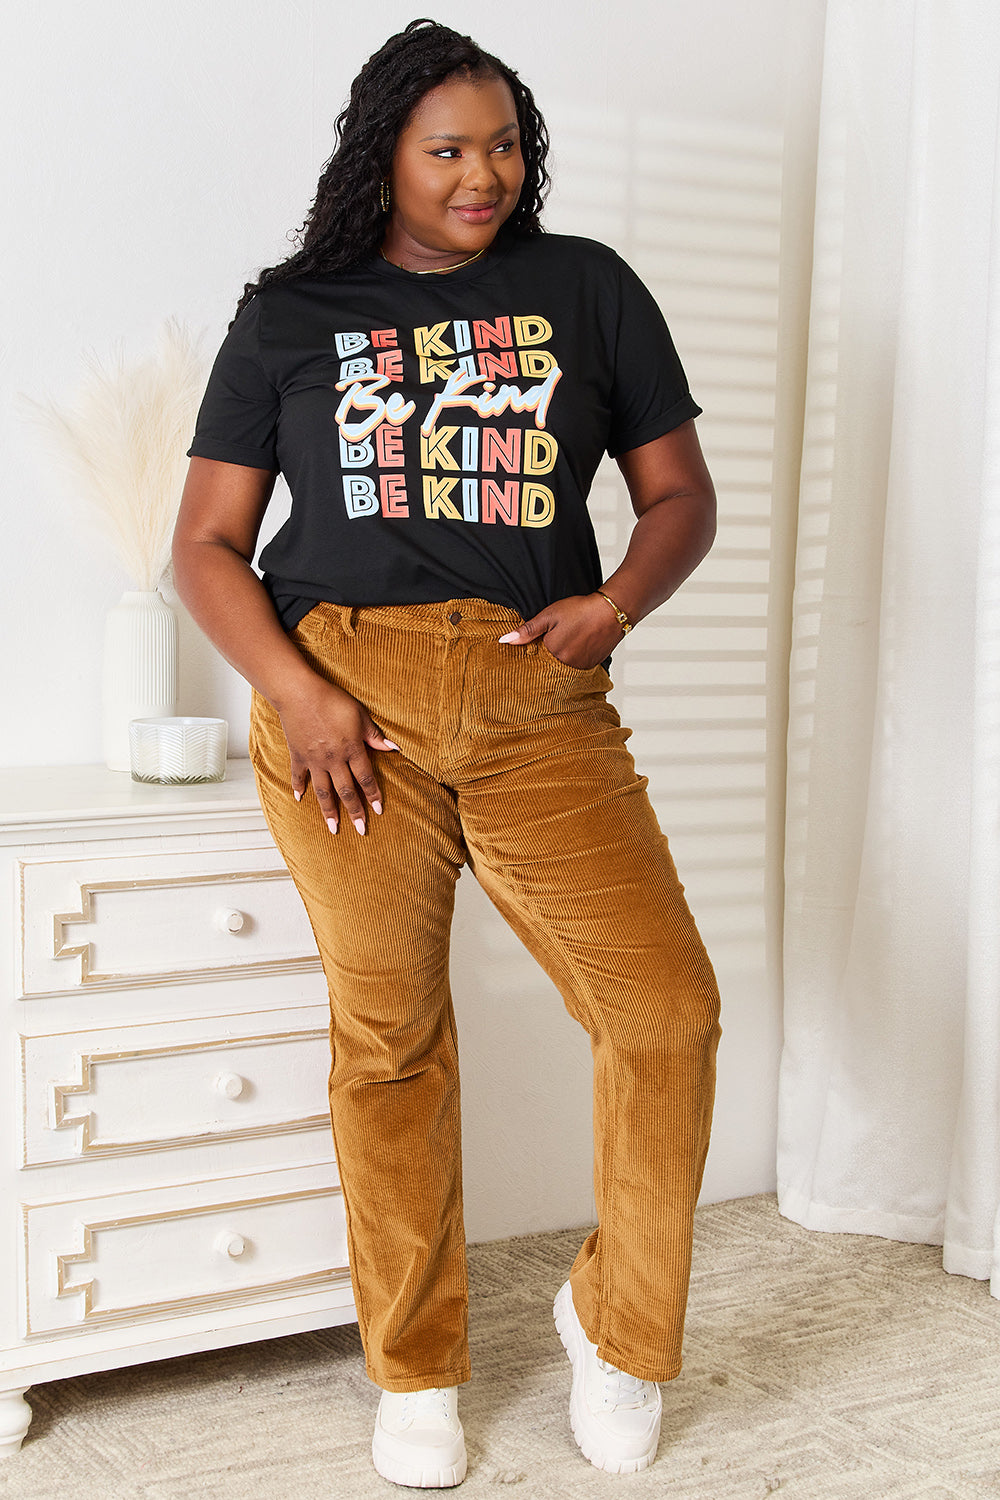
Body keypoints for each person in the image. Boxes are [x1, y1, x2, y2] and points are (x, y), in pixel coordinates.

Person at [173, 17, 721, 1489]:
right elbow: (209, 549)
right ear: (385, 162)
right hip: (343, 706)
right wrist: (299, 697)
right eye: (450, 150)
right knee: (391, 1038)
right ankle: (415, 1372)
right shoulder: (292, 313)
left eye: (504, 144)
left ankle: (621, 1332)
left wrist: (610, 607)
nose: (487, 174)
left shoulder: (587, 290)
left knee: (664, 1013)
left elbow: (679, 497)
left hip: (535, 691)